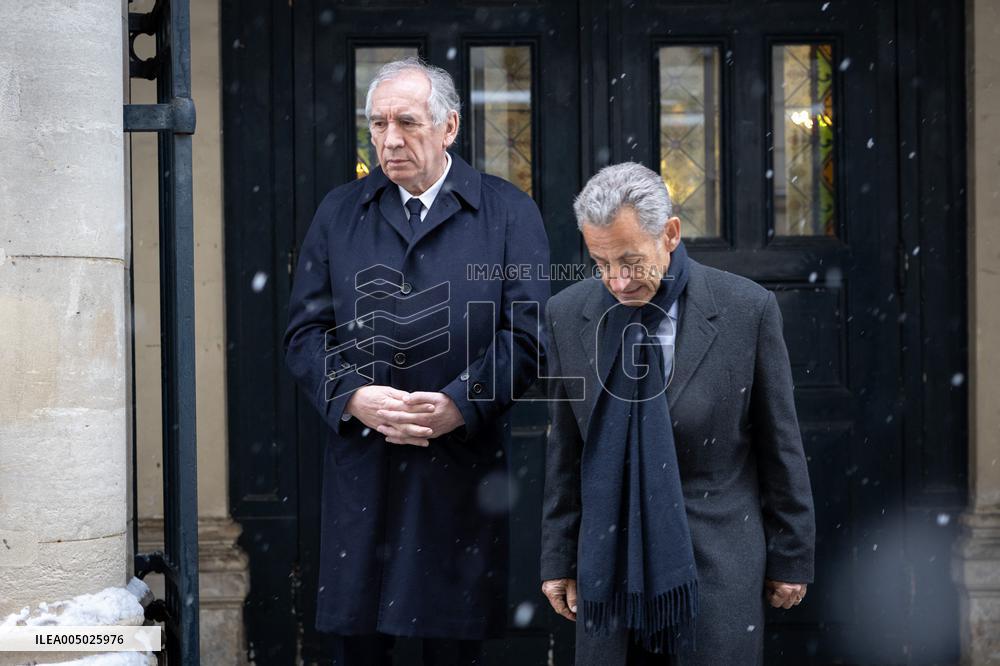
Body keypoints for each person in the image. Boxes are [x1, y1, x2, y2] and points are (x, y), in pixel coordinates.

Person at [284, 57, 550, 665]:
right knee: (356, 648)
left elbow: (528, 338)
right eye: (377, 125)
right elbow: (304, 334)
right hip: (364, 469)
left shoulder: (508, 214)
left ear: (449, 127)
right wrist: (352, 396)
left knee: (450, 649)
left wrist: (462, 403)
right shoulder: (340, 211)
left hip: (457, 472)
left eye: (406, 122)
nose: (389, 140)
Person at [540, 162, 815, 665]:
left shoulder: (744, 309)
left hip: (716, 564)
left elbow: (781, 442)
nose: (617, 282)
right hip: (607, 569)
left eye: (630, 260)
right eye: (601, 263)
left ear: (670, 234)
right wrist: (559, 557)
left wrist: (791, 552)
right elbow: (566, 449)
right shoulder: (566, 313)